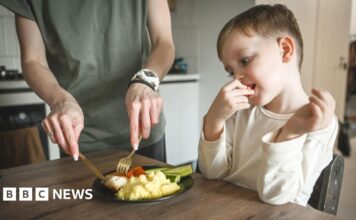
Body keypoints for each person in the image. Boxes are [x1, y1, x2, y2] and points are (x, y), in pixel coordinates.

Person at [198, 4, 338, 206]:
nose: (237, 78)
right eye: (230, 71)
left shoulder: (319, 121)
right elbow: (211, 172)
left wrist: (289, 133)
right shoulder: (241, 111)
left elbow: (278, 197)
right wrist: (215, 119)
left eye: (245, 61)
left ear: (285, 50)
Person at [0, 0, 174, 162]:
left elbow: (164, 42)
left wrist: (145, 81)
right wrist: (61, 101)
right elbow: (33, 61)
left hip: (144, 127)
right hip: (78, 134)